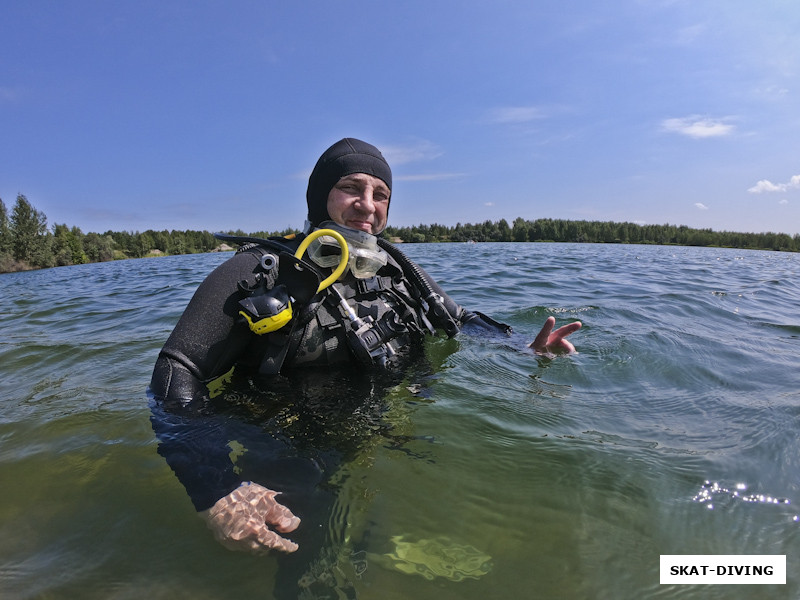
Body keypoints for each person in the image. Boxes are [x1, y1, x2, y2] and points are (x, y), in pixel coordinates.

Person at [149, 137, 581, 555]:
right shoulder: (260, 270)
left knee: (385, 537)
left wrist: (523, 346)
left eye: (381, 194)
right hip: (290, 448)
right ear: (320, 197)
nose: (368, 205)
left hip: (384, 433)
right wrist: (216, 488)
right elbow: (176, 372)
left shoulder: (398, 270)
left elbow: (460, 319)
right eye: (351, 188)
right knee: (316, 568)